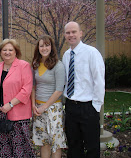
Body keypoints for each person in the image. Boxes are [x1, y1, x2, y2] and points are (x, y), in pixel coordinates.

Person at [62, 21, 105, 158]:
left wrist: (96, 106)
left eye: (74, 32)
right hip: (70, 107)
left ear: (80, 33)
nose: (71, 35)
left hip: (88, 107)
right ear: (65, 35)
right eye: (68, 32)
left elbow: (99, 81)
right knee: (74, 146)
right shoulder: (66, 55)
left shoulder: (92, 53)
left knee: (92, 147)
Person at [0, 39, 36, 158]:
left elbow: (27, 89)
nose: (7, 52)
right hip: (1, 115)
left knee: (21, 149)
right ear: (0, 52)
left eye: (10, 50)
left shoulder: (23, 66)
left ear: (16, 52)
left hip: (18, 115)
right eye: (4, 50)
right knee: (4, 149)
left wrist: (10, 104)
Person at [31, 35, 67, 158]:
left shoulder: (58, 65)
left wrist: (44, 107)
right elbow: (33, 87)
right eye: (42, 45)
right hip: (38, 108)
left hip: (53, 108)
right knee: (44, 142)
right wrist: (33, 106)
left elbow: (59, 90)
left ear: (51, 47)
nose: (44, 48)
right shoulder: (36, 64)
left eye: (47, 45)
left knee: (55, 142)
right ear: (38, 48)